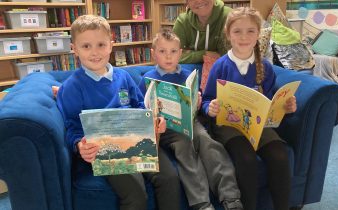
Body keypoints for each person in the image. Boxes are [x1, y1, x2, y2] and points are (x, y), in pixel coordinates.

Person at [56, 15, 181, 210]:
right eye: (86, 46)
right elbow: (71, 126)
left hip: (138, 140)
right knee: (135, 193)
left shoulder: (123, 76)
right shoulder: (72, 87)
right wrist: (79, 145)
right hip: (105, 150)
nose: (95, 52)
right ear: (74, 49)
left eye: (100, 45)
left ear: (111, 45)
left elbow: (141, 106)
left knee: (169, 178)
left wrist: (154, 121)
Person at [201, 7, 297, 210]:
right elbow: (207, 99)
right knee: (246, 159)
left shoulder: (266, 67)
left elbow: (271, 102)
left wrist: (285, 107)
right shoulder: (221, 65)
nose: (244, 37)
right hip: (230, 126)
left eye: (250, 31)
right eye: (237, 31)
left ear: (258, 34)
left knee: (280, 155)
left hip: (259, 125)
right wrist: (211, 108)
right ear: (228, 34)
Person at [138, 28, 243, 210]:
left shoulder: (187, 75)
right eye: (162, 51)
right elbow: (141, 107)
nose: (168, 57)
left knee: (208, 143)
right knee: (184, 146)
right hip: (165, 129)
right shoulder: (148, 78)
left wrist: (197, 101)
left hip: (191, 123)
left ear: (180, 53)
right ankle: (202, 204)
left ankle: (230, 197)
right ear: (154, 54)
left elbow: (198, 100)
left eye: (173, 51)